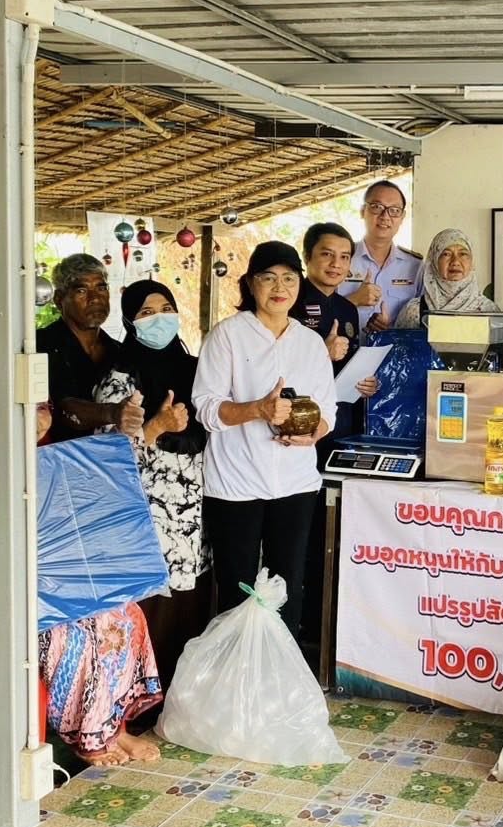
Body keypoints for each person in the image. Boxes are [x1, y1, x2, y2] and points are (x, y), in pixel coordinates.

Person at [0, 413, 164, 767]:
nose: (40, 422)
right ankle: (89, 735)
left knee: (125, 614)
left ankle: (113, 725)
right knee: (74, 635)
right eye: (28, 413)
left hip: (45, 596)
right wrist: (9, 571)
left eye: (45, 410)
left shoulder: (45, 465)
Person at [193, 241, 336, 636]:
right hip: (235, 483)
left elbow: (329, 409)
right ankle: (234, 679)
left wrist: (314, 434)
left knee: (287, 585)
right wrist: (257, 410)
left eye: (289, 278)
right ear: (251, 284)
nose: (279, 287)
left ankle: (282, 683)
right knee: (237, 587)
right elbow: (206, 406)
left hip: (295, 483)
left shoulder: (309, 343)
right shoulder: (228, 337)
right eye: (268, 278)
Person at [93, 279, 210, 699]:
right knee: (151, 607)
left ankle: (180, 699)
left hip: (194, 512)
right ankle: (139, 702)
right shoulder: (121, 378)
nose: (159, 318)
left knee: (189, 603)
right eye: (146, 312)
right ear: (129, 321)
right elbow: (106, 452)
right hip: (146, 512)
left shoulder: (198, 369)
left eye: (165, 308)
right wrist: (157, 426)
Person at [37, 253, 144, 442]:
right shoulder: (42, 345)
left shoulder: (118, 351)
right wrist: (112, 412)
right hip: (56, 460)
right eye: (82, 291)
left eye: (101, 288)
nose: (95, 298)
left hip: (110, 462)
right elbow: (62, 408)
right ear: (59, 298)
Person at [293, 222, 378, 454]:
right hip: (299, 417)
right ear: (307, 257)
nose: (336, 264)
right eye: (327, 255)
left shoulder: (347, 308)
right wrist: (322, 352)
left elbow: (349, 363)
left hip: (342, 418)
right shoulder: (289, 301)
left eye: (344, 257)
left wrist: (365, 382)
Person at [337, 180, 423, 335]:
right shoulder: (342, 258)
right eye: (377, 207)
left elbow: (422, 323)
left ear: (402, 217)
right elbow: (319, 310)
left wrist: (390, 331)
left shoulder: (415, 267)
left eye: (394, 210)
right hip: (344, 354)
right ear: (363, 211)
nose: (385, 216)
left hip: (394, 356)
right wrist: (353, 300)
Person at [395, 226, 499, 326]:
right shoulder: (414, 311)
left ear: (472, 262)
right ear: (434, 261)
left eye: (463, 254)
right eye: (446, 254)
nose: (455, 262)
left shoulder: (489, 311)